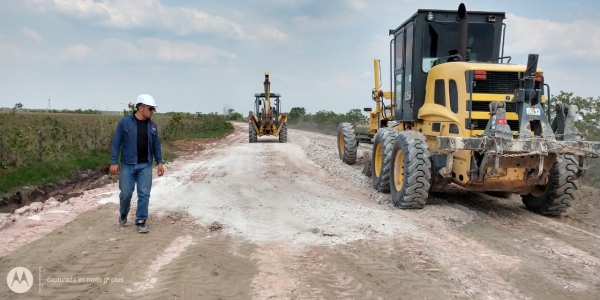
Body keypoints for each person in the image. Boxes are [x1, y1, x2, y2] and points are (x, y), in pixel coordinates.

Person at [109, 94, 165, 233]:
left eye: (153, 109)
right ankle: (123, 212)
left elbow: (156, 145)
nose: (152, 112)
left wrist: (159, 162)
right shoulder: (125, 122)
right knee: (126, 193)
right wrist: (114, 162)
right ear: (141, 107)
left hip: (145, 164)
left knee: (144, 194)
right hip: (128, 164)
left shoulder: (152, 125)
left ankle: (141, 220)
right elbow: (116, 143)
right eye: (150, 109)